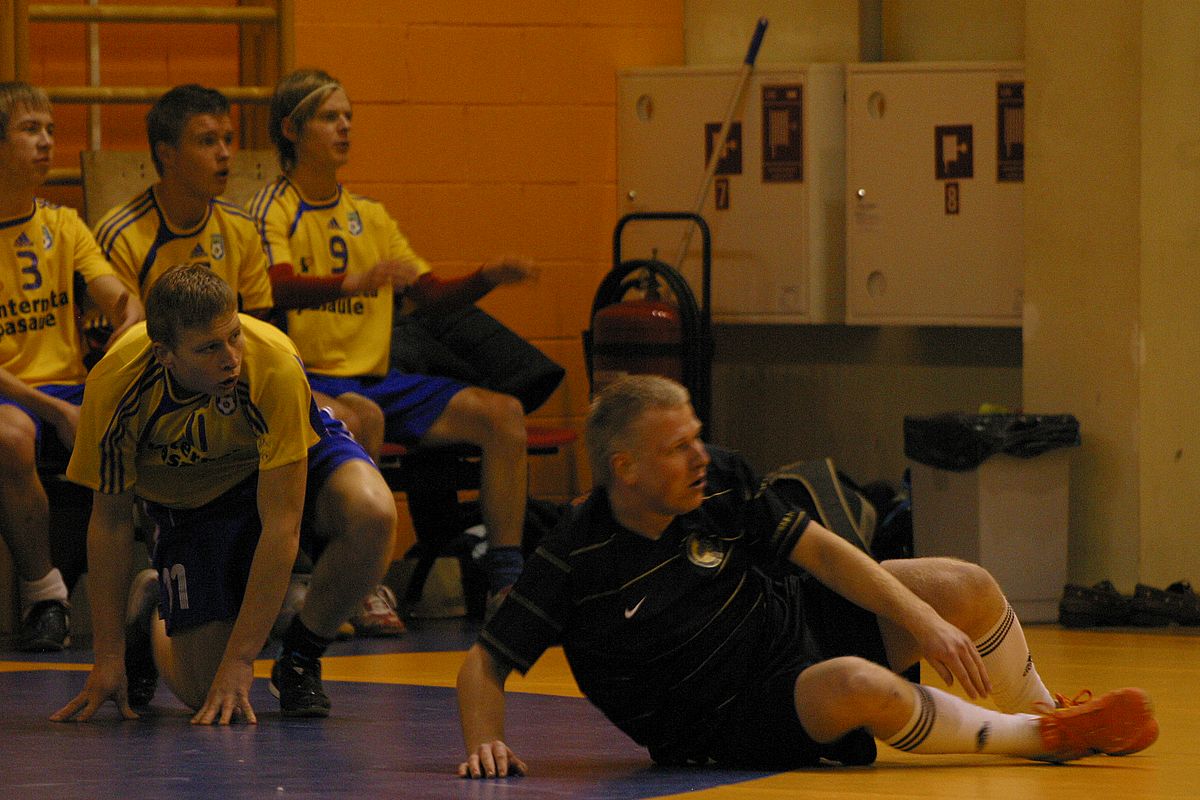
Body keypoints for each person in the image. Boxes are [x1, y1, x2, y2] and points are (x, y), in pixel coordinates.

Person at [455, 375, 1159, 777]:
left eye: (697, 436)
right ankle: (1040, 740)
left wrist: (925, 621)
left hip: (794, 629)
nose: (700, 457)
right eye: (678, 447)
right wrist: (485, 742)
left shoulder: (718, 480)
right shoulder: (575, 558)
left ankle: (1048, 711)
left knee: (960, 586)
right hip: (727, 721)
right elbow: (484, 665)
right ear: (626, 468)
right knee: (855, 684)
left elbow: (823, 554)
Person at [92, 83, 404, 638]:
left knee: (356, 420)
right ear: (166, 154)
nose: (225, 154)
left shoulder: (238, 227)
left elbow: (259, 333)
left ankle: (320, 585)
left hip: (238, 387)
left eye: (229, 139)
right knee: (198, 674)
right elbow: (126, 348)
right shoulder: (123, 231)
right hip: (173, 405)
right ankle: (176, 585)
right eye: (207, 141)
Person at [50, 264, 396, 724]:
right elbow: (110, 522)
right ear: (165, 355)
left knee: (373, 513)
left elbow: (282, 523)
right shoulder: (115, 387)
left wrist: (242, 660)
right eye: (209, 348)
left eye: (234, 336)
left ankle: (300, 658)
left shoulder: (272, 360)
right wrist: (108, 656)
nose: (231, 357)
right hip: (193, 500)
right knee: (204, 694)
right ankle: (153, 612)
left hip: (270, 464)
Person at [248, 68, 535, 603]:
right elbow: (275, 288)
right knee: (362, 417)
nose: (345, 127)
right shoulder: (273, 207)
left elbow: (429, 295)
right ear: (291, 129)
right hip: (309, 379)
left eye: (348, 117)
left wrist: (486, 277)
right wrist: (352, 281)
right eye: (329, 117)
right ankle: (358, 584)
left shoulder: (370, 215)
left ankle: (506, 580)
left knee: (504, 416)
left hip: (378, 378)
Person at [0, 81, 143, 652]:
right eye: (29, 130)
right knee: (11, 437)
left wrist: (126, 325)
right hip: (14, 394)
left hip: (70, 387)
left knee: (157, 412)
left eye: (51, 130)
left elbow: (121, 300)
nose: (46, 142)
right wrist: (56, 411)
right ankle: (45, 596)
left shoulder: (65, 225)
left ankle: (178, 580)